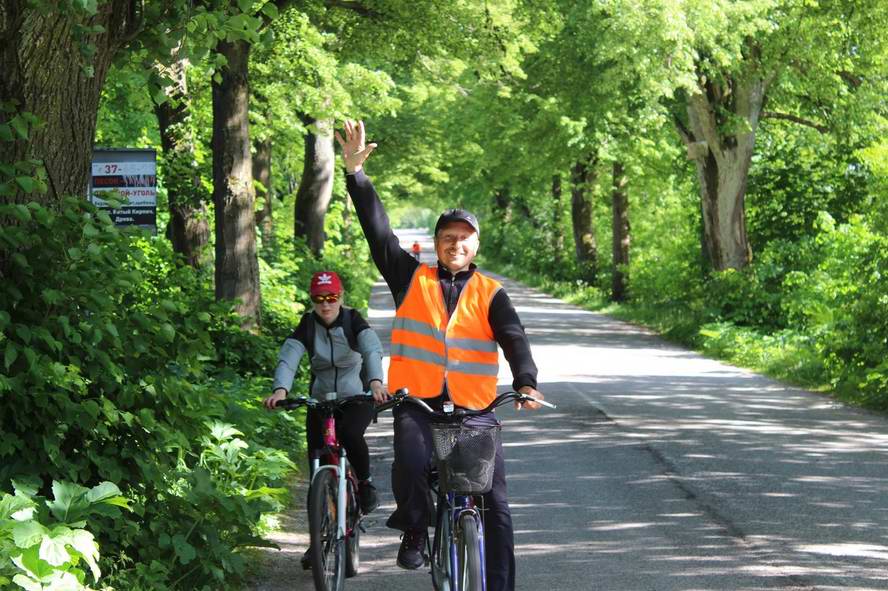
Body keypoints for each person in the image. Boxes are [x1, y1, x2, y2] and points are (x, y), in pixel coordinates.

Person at [335, 120, 545, 591]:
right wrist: (356, 176)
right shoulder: (411, 278)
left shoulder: (492, 291)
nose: (456, 244)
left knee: (497, 504)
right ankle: (414, 527)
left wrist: (526, 381)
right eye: (447, 237)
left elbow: (514, 338)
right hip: (419, 402)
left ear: (476, 244)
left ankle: (501, 586)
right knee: (409, 462)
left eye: (464, 237)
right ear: (436, 244)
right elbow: (379, 233)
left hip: (475, 409)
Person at [263, 270, 388, 569]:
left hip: (357, 395)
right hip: (320, 400)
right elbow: (290, 355)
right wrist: (280, 389)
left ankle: (366, 484)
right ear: (312, 301)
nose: (326, 304)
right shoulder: (308, 325)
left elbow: (371, 348)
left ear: (341, 297)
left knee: (350, 435)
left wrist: (375, 382)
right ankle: (316, 542)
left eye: (331, 297)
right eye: (319, 299)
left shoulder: (353, 320)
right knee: (316, 466)